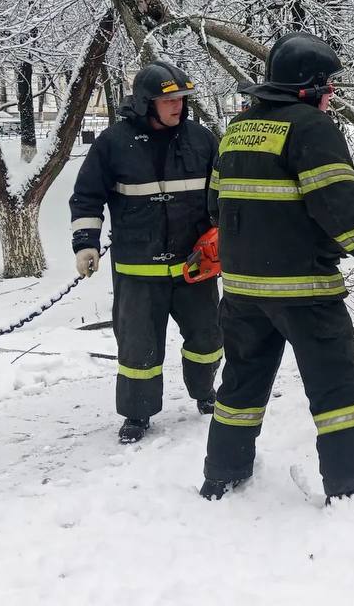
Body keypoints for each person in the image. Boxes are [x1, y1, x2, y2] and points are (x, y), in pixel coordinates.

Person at [200, 32, 354, 501]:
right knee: (338, 389)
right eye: (330, 84)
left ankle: (222, 473)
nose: (333, 93)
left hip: (241, 290)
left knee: (241, 383)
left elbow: (214, 204)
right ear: (309, 86)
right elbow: (341, 210)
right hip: (304, 290)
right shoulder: (313, 129)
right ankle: (350, 485)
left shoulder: (238, 129)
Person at [70, 61, 223, 444]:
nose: (177, 107)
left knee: (208, 341)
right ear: (144, 103)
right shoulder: (113, 144)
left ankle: (206, 393)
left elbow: (223, 194)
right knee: (138, 351)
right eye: (168, 100)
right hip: (138, 273)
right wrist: (86, 243)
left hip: (195, 268)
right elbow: (87, 196)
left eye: (182, 99)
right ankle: (137, 415)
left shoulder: (202, 140)